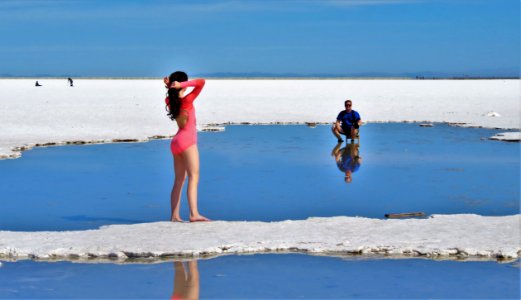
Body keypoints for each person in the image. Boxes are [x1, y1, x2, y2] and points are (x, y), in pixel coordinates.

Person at [164, 71, 209, 222]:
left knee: (179, 180)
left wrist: (169, 86)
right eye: (185, 82)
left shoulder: (170, 101)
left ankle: (174, 216)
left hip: (175, 142)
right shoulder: (188, 100)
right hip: (187, 141)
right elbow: (201, 82)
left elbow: (170, 96)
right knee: (194, 177)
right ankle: (194, 214)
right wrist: (182, 85)